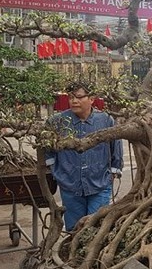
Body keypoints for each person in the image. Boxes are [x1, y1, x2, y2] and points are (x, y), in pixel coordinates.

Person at [46, 82, 123, 231]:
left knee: (95, 228)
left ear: (92, 99)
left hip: (99, 184)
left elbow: (116, 148)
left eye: (79, 97)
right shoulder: (58, 122)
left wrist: (113, 172)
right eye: (71, 97)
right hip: (70, 185)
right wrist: (56, 170)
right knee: (74, 229)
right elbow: (46, 147)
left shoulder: (106, 120)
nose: (74, 101)